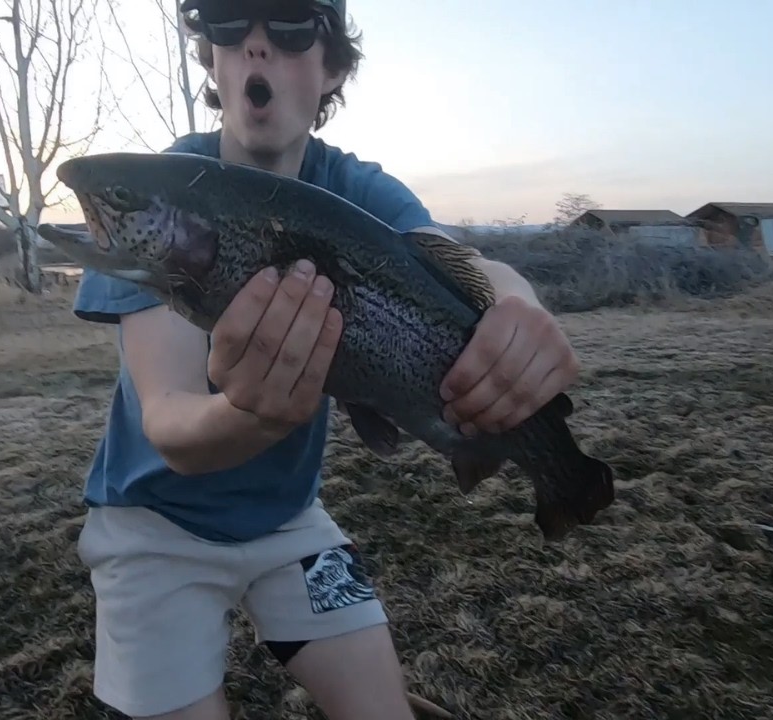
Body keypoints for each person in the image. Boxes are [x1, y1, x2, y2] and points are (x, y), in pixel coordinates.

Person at [69, 0, 582, 718]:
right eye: (228, 25)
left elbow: (460, 264)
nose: (256, 47)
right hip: (150, 531)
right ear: (210, 59)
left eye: (287, 26)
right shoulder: (171, 184)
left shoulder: (355, 190)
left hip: (289, 522)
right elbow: (171, 425)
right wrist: (256, 415)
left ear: (334, 64)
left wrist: (519, 307)